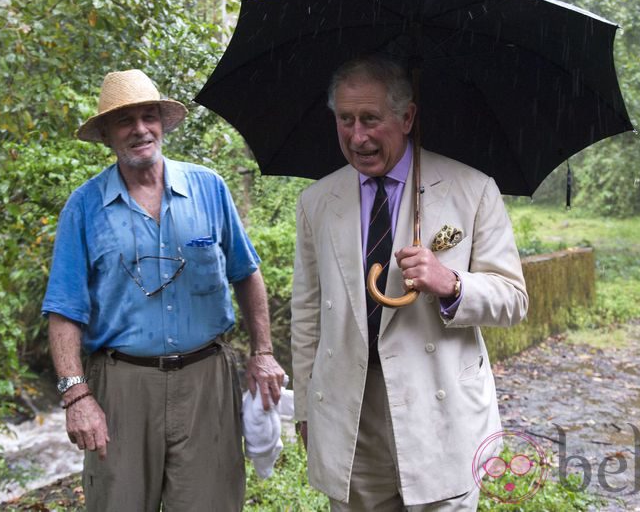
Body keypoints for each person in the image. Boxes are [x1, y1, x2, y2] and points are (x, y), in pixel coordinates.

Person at [291, 55, 528, 511]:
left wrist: (453, 283)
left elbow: (513, 300)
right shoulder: (317, 201)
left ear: (408, 117)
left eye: (371, 119)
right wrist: (306, 408)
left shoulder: (472, 189)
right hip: (351, 410)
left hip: (441, 409)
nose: (357, 136)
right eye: (345, 119)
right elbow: (306, 313)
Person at [42, 69, 285, 511]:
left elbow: (246, 273)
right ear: (106, 135)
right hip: (121, 385)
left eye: (148, 116)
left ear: (162, 123)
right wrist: (76, 396)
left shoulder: (208, 187)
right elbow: (64, 310)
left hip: (206, 378)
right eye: (125, 121)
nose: (140, 129)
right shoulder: (83, 207)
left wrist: (263, 352)